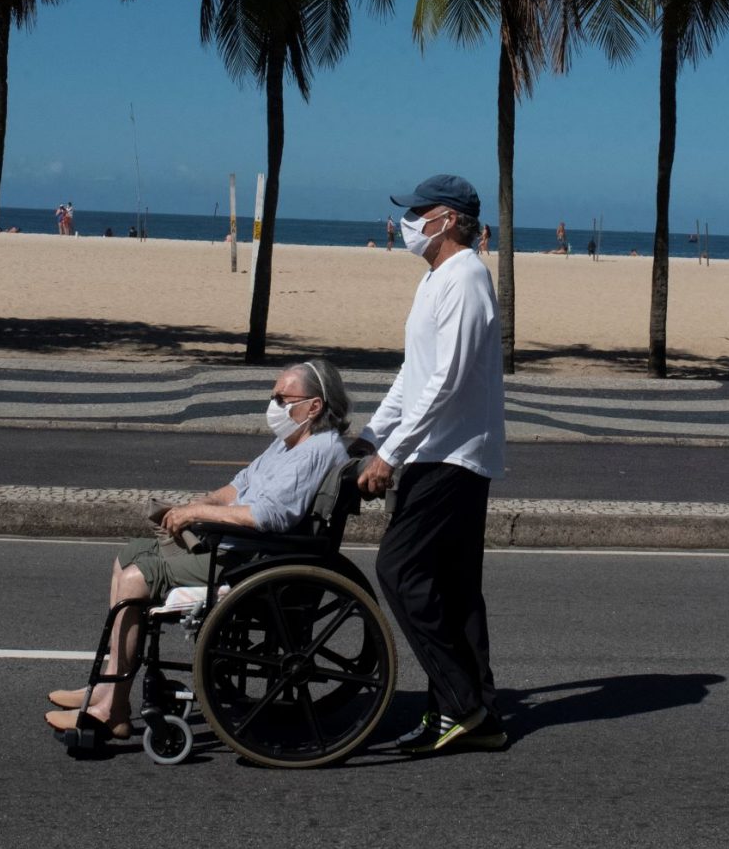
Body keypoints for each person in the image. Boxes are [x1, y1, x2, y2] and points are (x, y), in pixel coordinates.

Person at [44, 360, 353, 742]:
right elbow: (239, 486)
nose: (274, 406)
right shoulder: (288, 443)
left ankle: (113, 708)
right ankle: (110, 682)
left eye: (282, 398)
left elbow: (271, 515)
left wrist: (198, 513)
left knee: (136, 579)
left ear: (315, 406)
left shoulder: (317, 450)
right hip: (234, 547)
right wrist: (196, 505)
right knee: (129, 555)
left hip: (253, 561)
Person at [353, 174, 507, 754]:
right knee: (454, 588)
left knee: (399, 570)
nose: (407, 221)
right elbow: (412, 374)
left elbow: (447, 380)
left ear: (445, 218)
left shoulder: (466, 277)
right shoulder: (436, 279)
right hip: (433, 448)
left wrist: (391, 454)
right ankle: (476, 713)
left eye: (417, 211)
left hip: (451, 455)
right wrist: (371, 436)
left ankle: (460, 703)